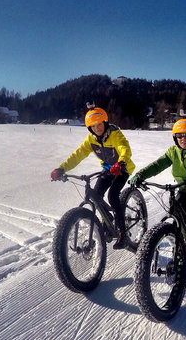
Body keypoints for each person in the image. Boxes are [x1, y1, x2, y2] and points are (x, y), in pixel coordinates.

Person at [50, 107, 135, 249]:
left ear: (105, 123)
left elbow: (124, 148)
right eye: (94, 126)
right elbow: (78, 155)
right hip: (108, 169)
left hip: (122, 168)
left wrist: (121, 162)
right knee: (96, 195)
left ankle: (123, 234)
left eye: (100, 124)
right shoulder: (91, 139)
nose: (97, 128)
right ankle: (108, 220)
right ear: (90, 128)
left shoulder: (115, 134)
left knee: (113, 196)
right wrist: (61, 168)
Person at [129, 118, 186, 237]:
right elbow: (158, 165)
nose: (183, 139)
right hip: (184, 187)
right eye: (179, 136)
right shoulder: (173, 152)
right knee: (177, 212)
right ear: (175, 138)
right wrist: (141, 175)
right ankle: (180, 241)